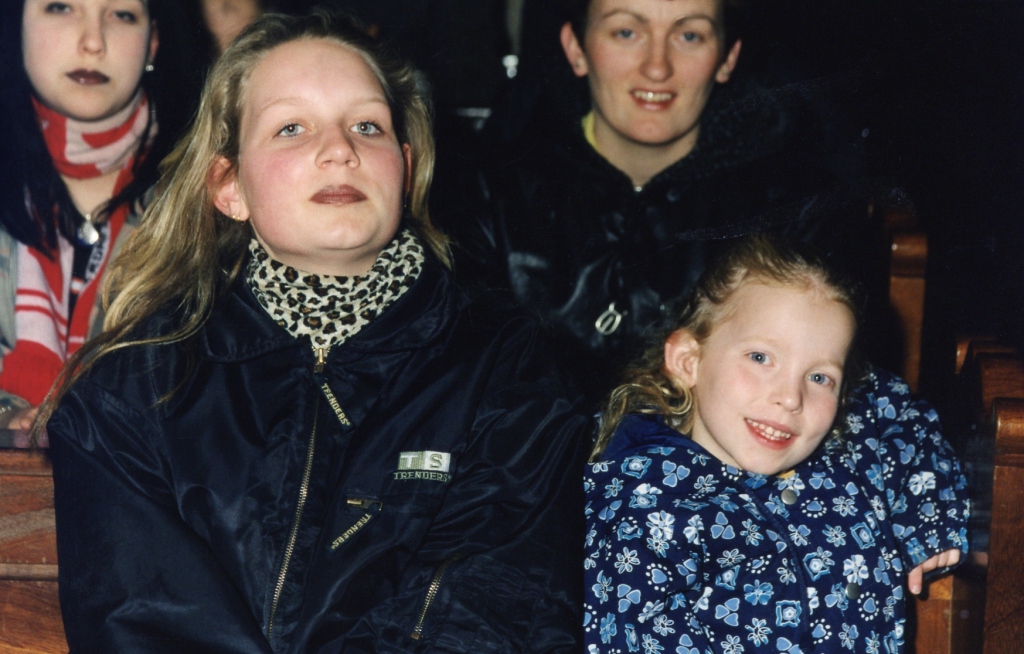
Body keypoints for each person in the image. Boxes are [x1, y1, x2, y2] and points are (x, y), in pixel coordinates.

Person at [42, 12, 586, 652]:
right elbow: (141, 626)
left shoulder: (507, 370)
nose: (340, 150)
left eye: (367, 126)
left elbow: (493, 610)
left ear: (406, 168)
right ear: (229, 186)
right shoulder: (132, 390)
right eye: (292, 128)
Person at [436, 0, 885, 402]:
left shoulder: (795, 213)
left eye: (689, 35)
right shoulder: (487, 196)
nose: (657, 67)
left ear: (727, 57)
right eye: (626, 32)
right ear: (576, 48)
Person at [583, 236, 969, 653]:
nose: (791, 397)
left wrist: (927, 515)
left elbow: (900, 412)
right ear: (688, 361)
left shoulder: (851, 436)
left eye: (819, 377)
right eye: (761, 358)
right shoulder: (644, 508)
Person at [0, 0, 204, 435]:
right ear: (15, 26)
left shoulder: (209, 201)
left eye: (122, 15)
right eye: (61, 7)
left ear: (153, 42)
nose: (93, 42)